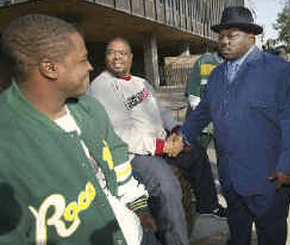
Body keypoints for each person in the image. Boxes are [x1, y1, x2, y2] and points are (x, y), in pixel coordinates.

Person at [0, 14, 157, 245]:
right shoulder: (8, 147)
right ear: (50, 68)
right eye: (83, 60)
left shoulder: (90, 108)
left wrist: (139, 208)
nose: (91, 66)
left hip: (134, 233)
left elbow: (118, 158)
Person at [173, 6, 290, 245]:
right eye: (221, 36)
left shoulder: (279, 70)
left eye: (232, 35)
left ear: (251, 37)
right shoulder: (216, 74)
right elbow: (203, 110)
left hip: (269, 178)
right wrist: (183, 136)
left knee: (271, 234)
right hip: (230, 176)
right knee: (237, 234)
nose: (224, 41)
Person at [88, 38, 226, 232]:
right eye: (112, 52)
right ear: (106, 57)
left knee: (197, 152)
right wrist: (163, 146)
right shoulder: (101, 87)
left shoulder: (141, 82)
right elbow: (120, 135)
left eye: (122, 52)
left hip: (160, 144)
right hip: (134, 154)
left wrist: (179, 133)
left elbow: (161, 111)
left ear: (130, 57)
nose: (117, 56)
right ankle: (177, 238)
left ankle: (208, 206)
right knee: (167, 185)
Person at [185, 51, 222, 148]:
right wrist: (204, 122)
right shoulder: (206, 61)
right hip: (204, 124)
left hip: (221, 123)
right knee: (198, 153)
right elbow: (194, 97)